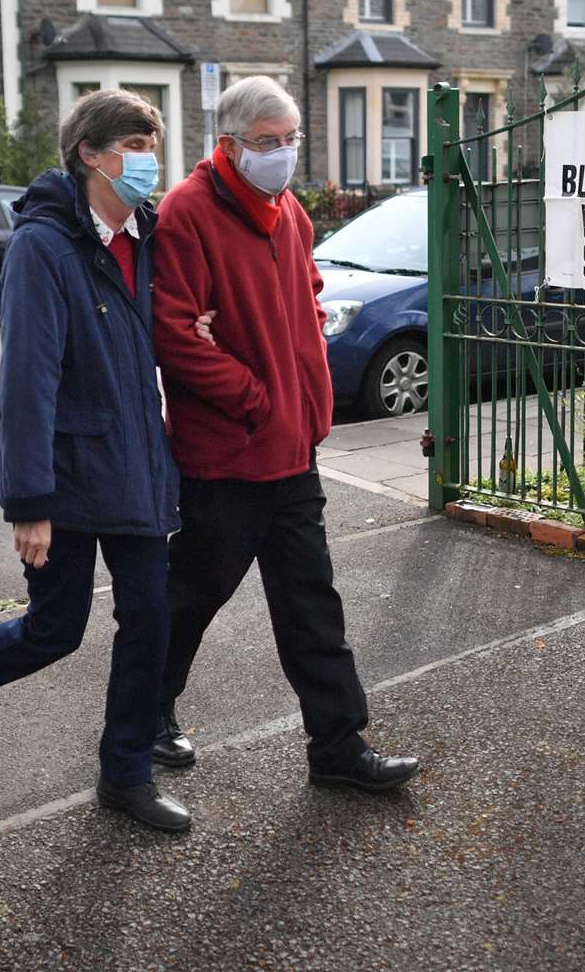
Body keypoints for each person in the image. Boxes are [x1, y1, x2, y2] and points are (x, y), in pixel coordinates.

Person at [0, 89, 190, 833]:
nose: (148, 158)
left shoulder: (148, 236)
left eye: (153, 141)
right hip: (65, 478)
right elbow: (27, 378)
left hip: (135, 466)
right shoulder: (44, 245)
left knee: (150, 619)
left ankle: (124, 774)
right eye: (133, 142)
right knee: (54, 628)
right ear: (89, 154)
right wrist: (27, 500)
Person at [149, 76, 420, 792]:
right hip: (228, 456)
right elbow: (175, 336)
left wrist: (305, 395)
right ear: (229, 144)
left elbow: (304, 292)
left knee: (312, 604)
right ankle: (146, 712)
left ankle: (338, 747)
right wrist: (258, 398)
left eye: (291, 139)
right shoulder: (187, 214)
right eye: (268, 143)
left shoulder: (289, 210)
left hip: (291, 450)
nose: (283, 154)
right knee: (194, 596)